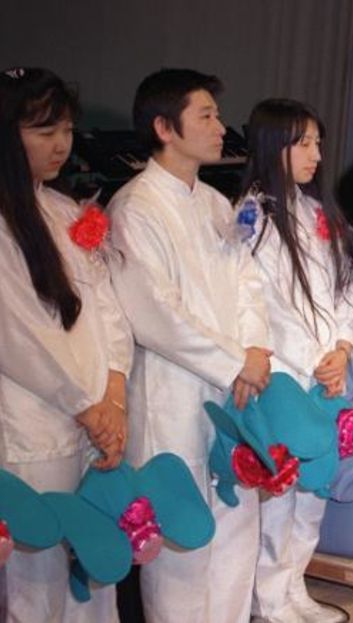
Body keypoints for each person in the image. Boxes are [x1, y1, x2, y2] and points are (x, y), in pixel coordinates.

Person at [107, 68, 272, 623]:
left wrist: (256, 352)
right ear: (164, 127)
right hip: (174, 398)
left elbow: (248, 282)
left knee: (235, 535)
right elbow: (156, 316)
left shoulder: (215, 204)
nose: (220, 126)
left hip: (233, 396)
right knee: (183, 549)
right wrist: (235, 362)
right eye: (205, 115)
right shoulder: (134, 208)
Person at [0, 66, 132, 623]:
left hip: (93, 421)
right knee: (37, 585)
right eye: (43, 131)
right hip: (36, 427)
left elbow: (108, 311)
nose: (61, 145)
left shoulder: (65, 211)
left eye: (67, 130)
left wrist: (116, 394)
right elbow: (17, 336)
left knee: (94, 575)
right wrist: (88, 405)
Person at [239, 99, 353, 623]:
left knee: (315, 488)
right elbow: (260, 303)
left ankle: (295, 587)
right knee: (281, 490)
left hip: (326, 373)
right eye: (303, 142)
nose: (316, 153)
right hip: (287, 375)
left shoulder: (315, 212)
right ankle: (268, 599)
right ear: (273, 146)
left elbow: (345, 291)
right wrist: (316, 356)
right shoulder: (251, 217)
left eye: (318, 142)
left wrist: (342, 348)